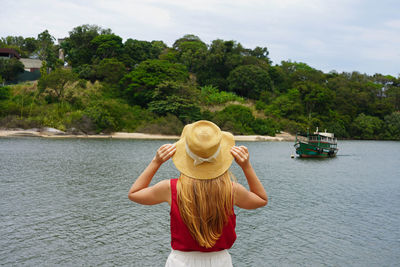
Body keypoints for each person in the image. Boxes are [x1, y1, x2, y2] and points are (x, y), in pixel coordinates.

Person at [128, 120, 268, 266]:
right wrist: (246, 166)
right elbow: (261, 199)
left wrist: (156, 162)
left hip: (181, 262)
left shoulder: (171, 188)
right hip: (220, 262)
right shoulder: (232, 190)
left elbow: (135, 193)